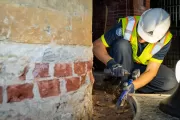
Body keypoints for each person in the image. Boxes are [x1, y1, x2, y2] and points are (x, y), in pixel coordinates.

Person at [93, 8, 178, 93]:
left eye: (146, 38)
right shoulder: (128, 24)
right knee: (122, 45)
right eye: (140, 34)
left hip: (140, 70)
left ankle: (129, 86)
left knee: (170, 80)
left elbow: (151, 71)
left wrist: (134, 85)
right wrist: (111, 63)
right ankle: (117, 84)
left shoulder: (165, 40)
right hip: (120, 65)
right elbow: (97, 46)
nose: (141, 39)